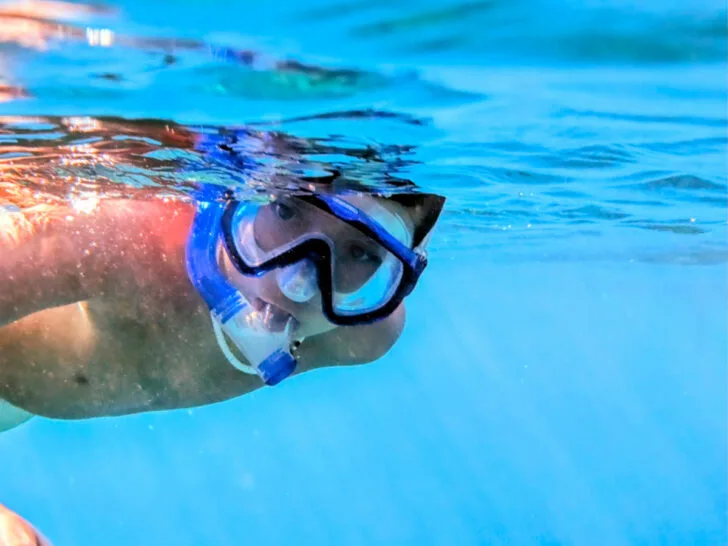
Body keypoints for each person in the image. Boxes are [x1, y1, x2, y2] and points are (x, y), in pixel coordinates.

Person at [0, 118, 446, 431]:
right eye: (287, 212)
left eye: (360, 254)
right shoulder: (132, 242)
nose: (298, 283)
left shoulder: (363, 334)